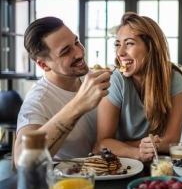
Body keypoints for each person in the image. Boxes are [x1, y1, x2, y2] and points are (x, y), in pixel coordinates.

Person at [14, 17, 111, 164]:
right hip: (71, 182)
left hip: (117, 173)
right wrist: (78, 106)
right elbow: (21, 160)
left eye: (76, 42)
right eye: (66, 52)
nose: (79, 53)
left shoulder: (94, 78)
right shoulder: (38, 101)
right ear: (43, 65)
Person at [93, 12, 182, 162]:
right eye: (118, 44)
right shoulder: (117, 80)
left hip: (158, 162)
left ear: (151, 47)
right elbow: (102, 144)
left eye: (129, 43)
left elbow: (171, 141)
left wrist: (121, 146)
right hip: (121, 163)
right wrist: (137, 151)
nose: (120, 52)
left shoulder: (173, 78)